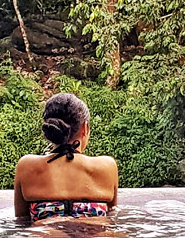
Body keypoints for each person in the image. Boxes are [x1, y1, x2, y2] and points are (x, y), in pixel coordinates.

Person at [14, 93, 119, 221]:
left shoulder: (27, 165)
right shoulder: (107, 166)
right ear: (85, 128)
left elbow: (21, 219)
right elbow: (112, 215)